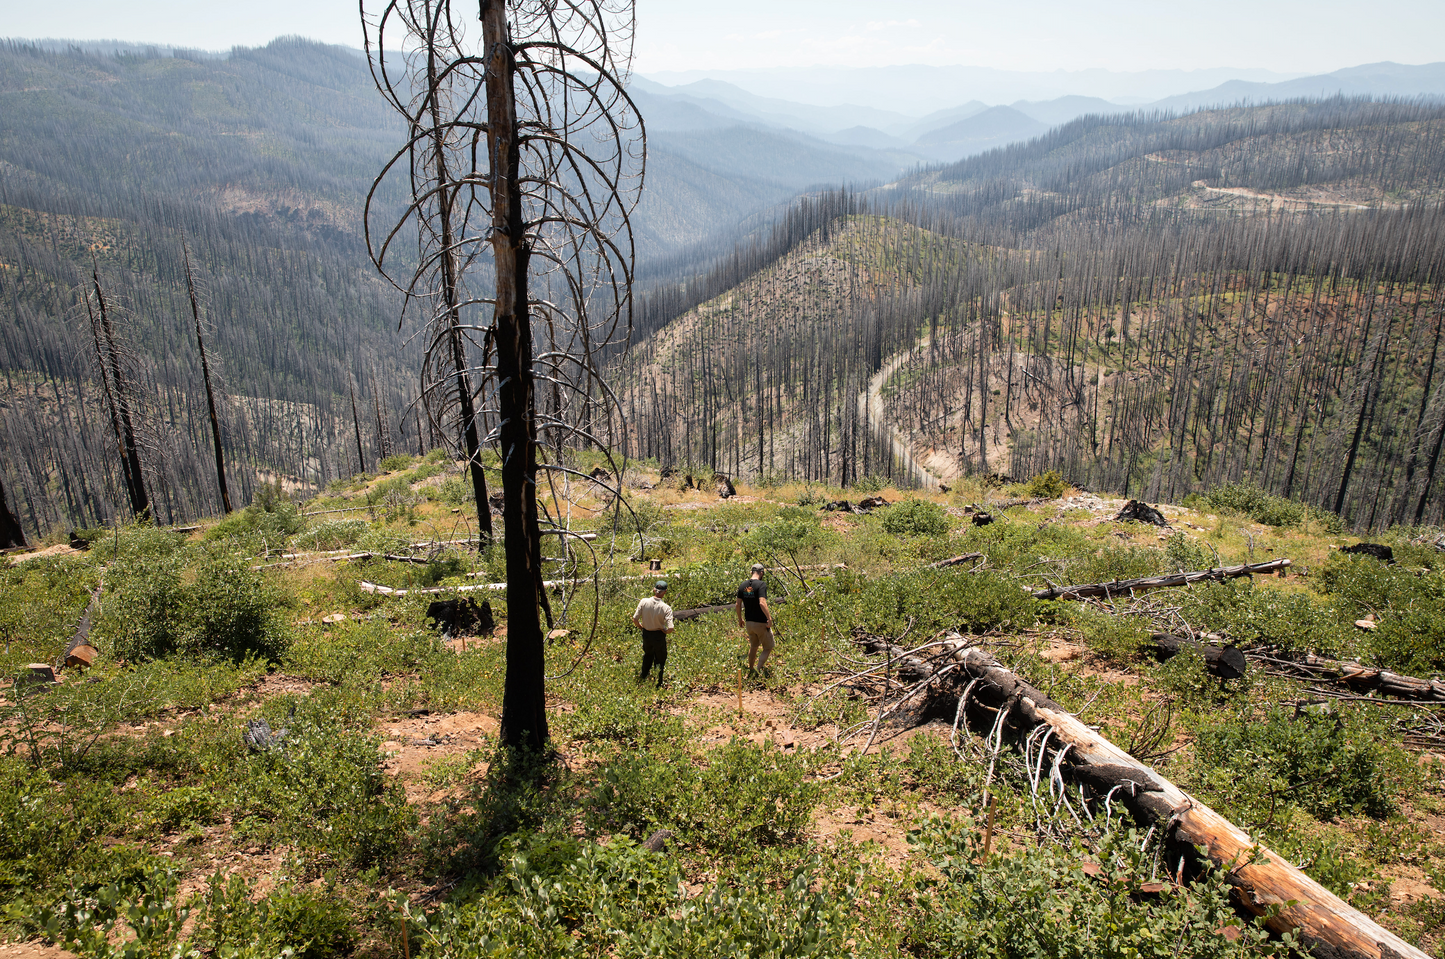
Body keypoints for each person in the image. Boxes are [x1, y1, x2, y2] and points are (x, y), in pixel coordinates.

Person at [632, 579, 674, 687]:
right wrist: (664, 630)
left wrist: (641, 627)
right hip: (658, 635)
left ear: (654, 589)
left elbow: (635, 619)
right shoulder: (666, 608)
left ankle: (643, 678)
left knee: (648, 655)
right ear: (665, 591)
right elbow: (671, 628)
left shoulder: (644, 602)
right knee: (660, 659)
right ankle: (657, 683)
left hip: (646, 633)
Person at [735, 562, 775, 675]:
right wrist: (769, 618)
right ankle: (758, 669)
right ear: (761, 573)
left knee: (753, 646)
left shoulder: (743, 585)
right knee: (768, 647)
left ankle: (751, 669)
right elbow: (762, 602)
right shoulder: (761, 585)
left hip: (749, 623)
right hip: (760, 622)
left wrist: (740, 619)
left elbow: (738, 604)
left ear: (752, 572)